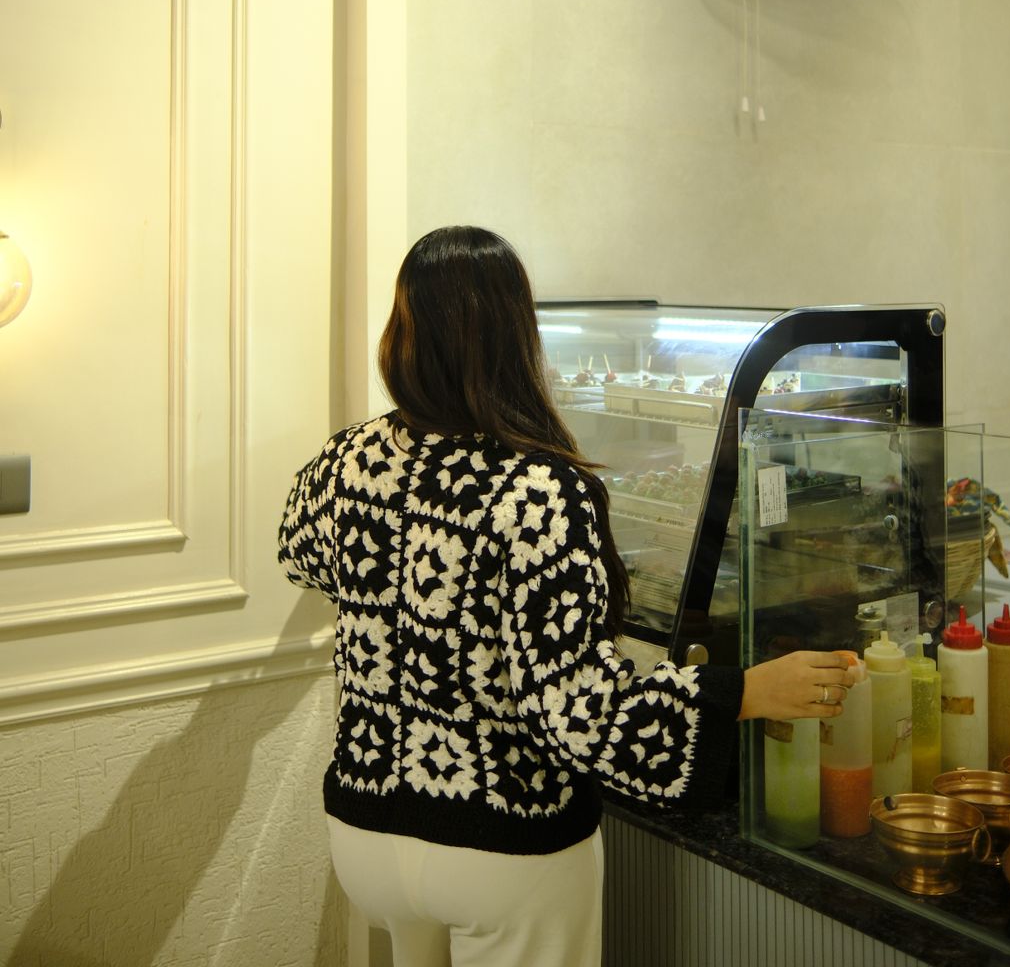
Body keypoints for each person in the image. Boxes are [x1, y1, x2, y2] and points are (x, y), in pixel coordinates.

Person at [278, 226, 855, 967]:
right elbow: (576, 711)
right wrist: (743, 693)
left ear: (403, 332)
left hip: (366, 838)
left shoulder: (344, 458)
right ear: (519, 339)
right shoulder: (539, 488)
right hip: (501, 843)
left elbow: (301, 558)